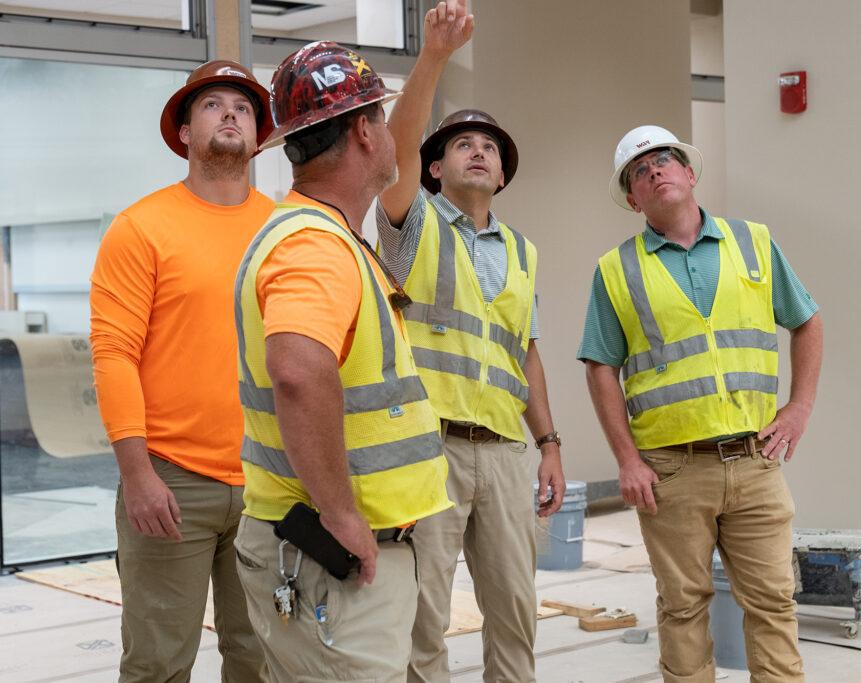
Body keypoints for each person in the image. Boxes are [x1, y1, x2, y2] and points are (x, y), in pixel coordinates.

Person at [230, 41, 452, 682]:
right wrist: (340, 513)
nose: (390, 135)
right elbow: (298, 372)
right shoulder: (313, 244)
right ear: (363, 131)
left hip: (348, 556)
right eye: (381, 118)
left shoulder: (326, 236)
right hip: (334, 558)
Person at [578, 125, 824, 682]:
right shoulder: (616, 271)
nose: (655, 171)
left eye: (665, 160)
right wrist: (627, 459)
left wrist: (799, 406)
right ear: (633, 199)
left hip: (755, 460)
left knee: (773, 605)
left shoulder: (754, 243)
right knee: (683, 608)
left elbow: (807, 320)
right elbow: (600, 366)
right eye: (640, 171)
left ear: (690, 174)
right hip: (671, 470)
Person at [375, 2, 566, 680]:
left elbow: (526, 353)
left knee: (516, 610)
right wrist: (433, 58)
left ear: (503, 176)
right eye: (462, 143)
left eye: (489, 147)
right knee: (422, 617)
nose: (479, 149)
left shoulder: (522, 250)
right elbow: (392, 152)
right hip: (431, 450)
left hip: (507, 454)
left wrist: (548, 443)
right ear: (432, 170)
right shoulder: (413, 226)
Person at [90, 60, 274, 681]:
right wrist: (136, 474)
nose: (229, 113)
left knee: (258, 656)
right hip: (171, 482)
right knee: (159, 663)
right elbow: (114, 353)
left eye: (243, 107)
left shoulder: (282, 230)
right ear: (185, 133)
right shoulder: (141, 227)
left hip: (267, 480)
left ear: (258, 135)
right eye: (213, 104)